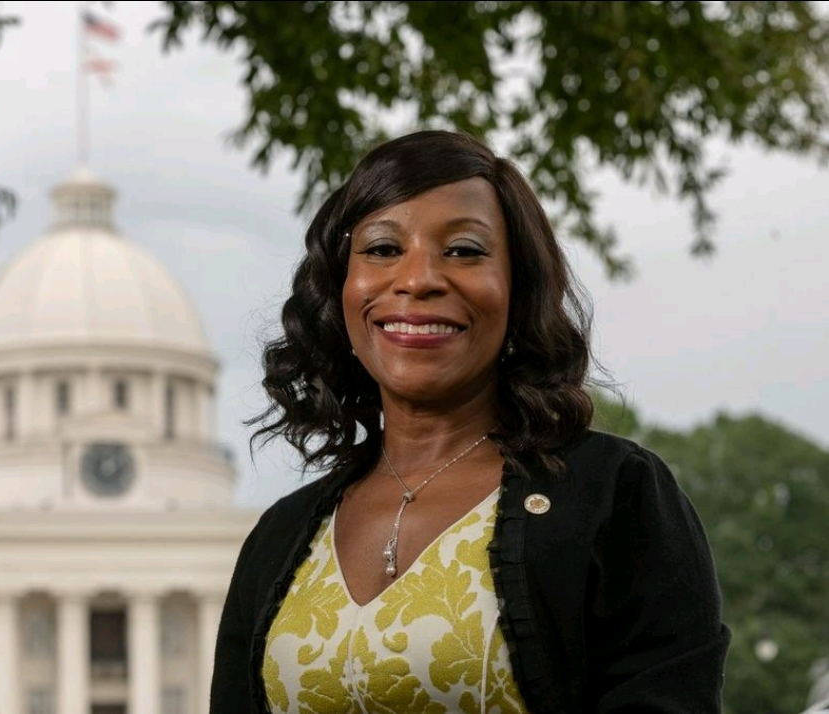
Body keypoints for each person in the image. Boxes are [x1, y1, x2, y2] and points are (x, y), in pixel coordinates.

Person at [210, 130, 730, 713]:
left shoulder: (614, 496)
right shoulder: (279, 538)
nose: (418, 278)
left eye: (464, 250)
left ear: (518, 288)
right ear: (340, 288)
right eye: (382, 249)